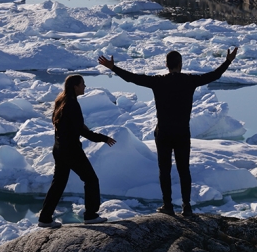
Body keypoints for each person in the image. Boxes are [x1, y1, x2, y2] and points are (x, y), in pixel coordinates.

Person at [98, 48, 238, 216]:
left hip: (163, 133)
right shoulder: (189, 80)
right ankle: (187, 206)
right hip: (182, 133)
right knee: (183, 170)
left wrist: (113, 67)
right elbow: (214, 75)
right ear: (180, 64)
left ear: (166, 65)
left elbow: (133, 78)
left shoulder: (158, 81)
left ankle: (168, 205)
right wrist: (228, 61)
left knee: (164, 170)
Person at [38, 74, 117, 228]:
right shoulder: (72, 104)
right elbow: (82, 131)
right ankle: (90, 215)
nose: (84, 86)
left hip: (59, 148)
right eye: (82, 84)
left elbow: (69, 125)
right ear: (75, 86)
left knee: (58, 184)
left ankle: (45, 218)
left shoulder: (61, 101)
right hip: (71, 150)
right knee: (91, 180)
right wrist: (104, 138)